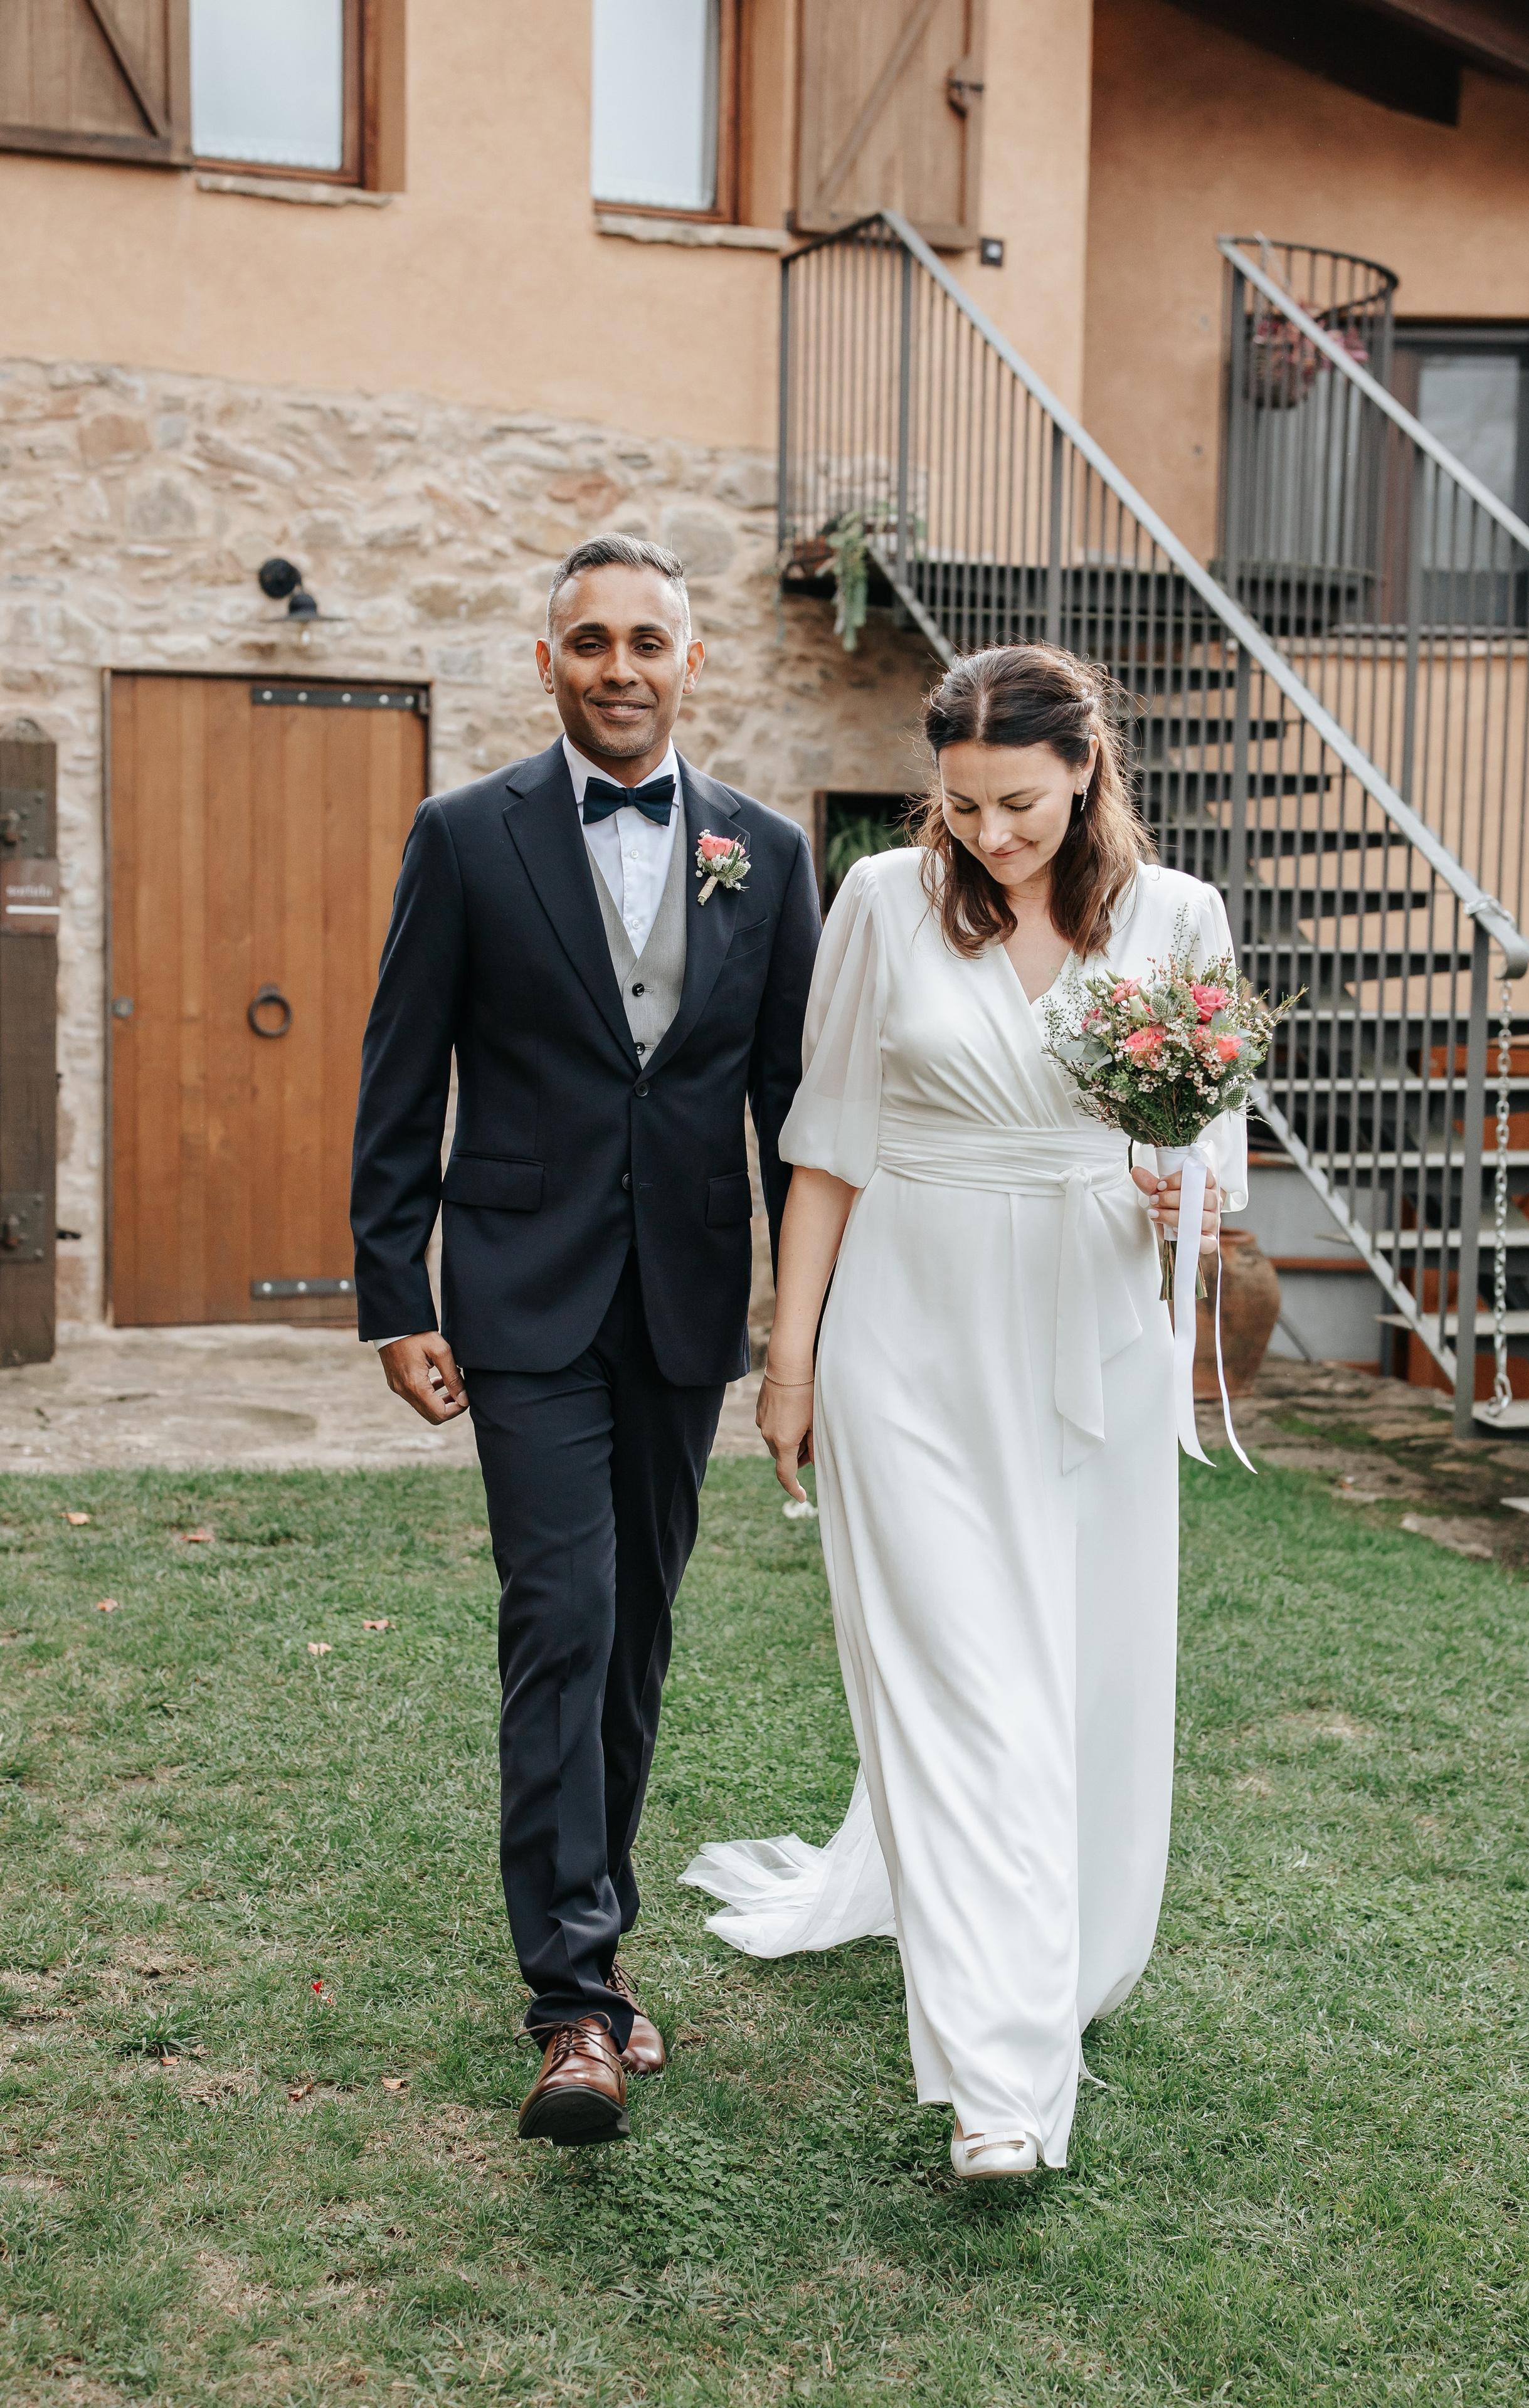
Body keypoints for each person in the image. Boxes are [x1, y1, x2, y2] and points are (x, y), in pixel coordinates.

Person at [683, 643, 1245, 2178]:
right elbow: (825, 1147)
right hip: (906, 1333)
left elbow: (1215, 1161)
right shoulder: (878, 900)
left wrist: (1164, 1188)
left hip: (1086, 1340)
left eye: (1016, 804)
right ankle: (1002, 2081)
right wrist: (788, 1361)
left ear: (1083, 770)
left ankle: (1057, 1952)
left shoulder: (1176, 917)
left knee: (1077, 1674)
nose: (988, 835)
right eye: (960, 805)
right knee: (959, 1689)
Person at [351, 534, 820, 2147]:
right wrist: (394, 1294)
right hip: (520, 1300)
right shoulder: (465, 836)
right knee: (560, 1613)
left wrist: (804, 1326)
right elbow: (400, 1074)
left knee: (633, 1636)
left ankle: (596, 1948)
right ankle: (571, 2002)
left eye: (646, 641)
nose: (616, 667)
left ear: (696, 662)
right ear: (544, 661)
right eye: (586, 642)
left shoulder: (762, 852)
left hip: (682, 1306)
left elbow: (790, 1108)